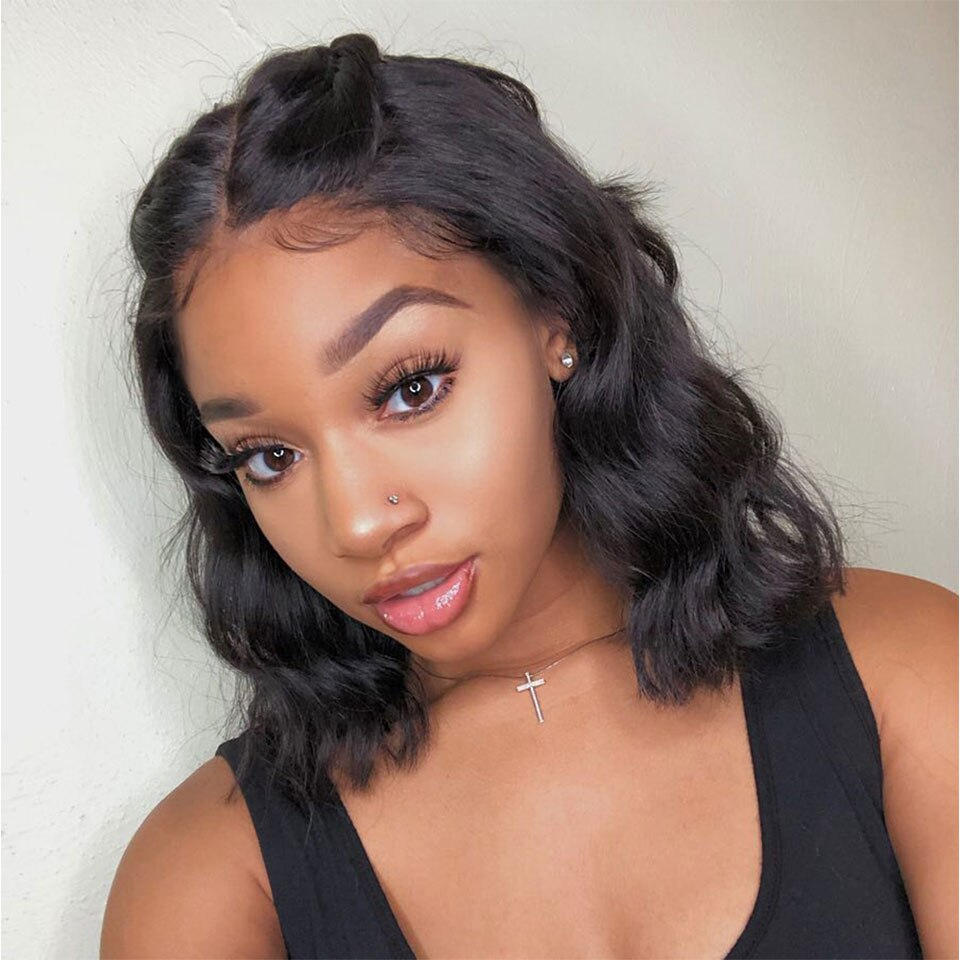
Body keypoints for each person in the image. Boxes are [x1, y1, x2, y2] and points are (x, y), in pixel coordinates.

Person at [99, 32, 957, 960]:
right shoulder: (209, 880)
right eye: (269, 456)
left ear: (560, 316)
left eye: (410, 389)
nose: (356, 522)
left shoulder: (908, 674)